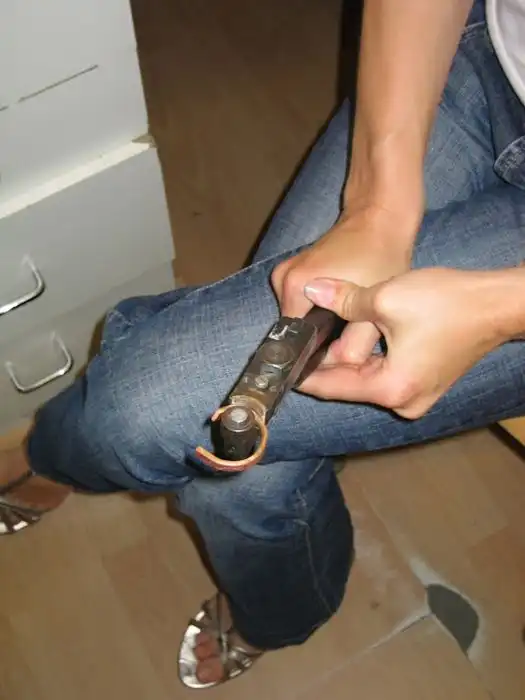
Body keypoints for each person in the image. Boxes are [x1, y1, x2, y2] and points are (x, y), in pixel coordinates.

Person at [1, 0, 525, 689]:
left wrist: (499, 308)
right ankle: (271, 606)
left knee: (146, 417)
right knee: (237, 476)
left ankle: (64, 452)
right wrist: (377, 204)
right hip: (484, 55)